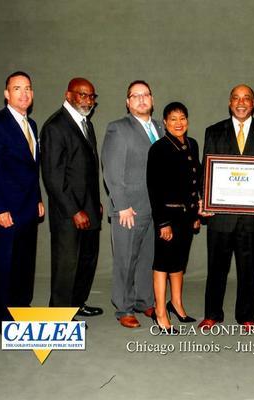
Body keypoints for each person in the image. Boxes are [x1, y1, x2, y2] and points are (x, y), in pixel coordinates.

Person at [199, 84, 254, 332]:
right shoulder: (213, 132)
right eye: (236, 98)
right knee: (216, 269)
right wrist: (203, 199)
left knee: (248, 270)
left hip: (252, 217)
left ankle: (246, 316)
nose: (241, 102)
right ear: (229, 102)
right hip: (220, 217)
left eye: (246, 98)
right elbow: (206, 172)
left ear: (253, 102)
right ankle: (212, 314)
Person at [0, 71, 44, 334]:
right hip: (5, 210)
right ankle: (3, 319)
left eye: (28, 88)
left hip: (28, 207)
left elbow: (32, 168)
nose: (24, 93)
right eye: (17, 88)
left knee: (24, 263)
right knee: (5, 265)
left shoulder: (32, 125)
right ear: (7, 94)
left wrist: (38, 198)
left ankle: (21, 308)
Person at [101, 80, 163, 328]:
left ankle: (143, 300)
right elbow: (111, 170)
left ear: (152, 99)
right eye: (135, 96)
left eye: (145, 94)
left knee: (147, 258)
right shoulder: (118, 129)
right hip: (129, 208)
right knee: (125, 260)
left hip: (154, 208)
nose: (141, 99)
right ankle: (124, 308)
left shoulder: (160, 127)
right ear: (127, 102)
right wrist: (121, 205)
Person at [41, 78, 103, 318]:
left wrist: (94, 201)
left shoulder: (86, 124)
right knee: (66, 265)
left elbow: (86, 169)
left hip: (88, 207)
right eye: (82, 95)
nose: (88, 100)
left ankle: (77, 304)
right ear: (68, 95)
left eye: (91, 96)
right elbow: (53, 176)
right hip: (69, 212)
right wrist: (74, 210)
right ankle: (59, 315)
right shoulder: (55, 127)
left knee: (86, 260)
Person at [147, 102, 201, 333]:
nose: (178, 123)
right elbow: (154, 188)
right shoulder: (159, 148)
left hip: (187, 215)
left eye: (182, 118)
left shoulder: (192, 144)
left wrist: (196, 212)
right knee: (163, 264)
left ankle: (176, 304)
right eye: (173, 119)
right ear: (165, 123)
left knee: (179, 263)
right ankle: (160, 312)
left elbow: (195, 180)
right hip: (168, 216)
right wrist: (163, 223)